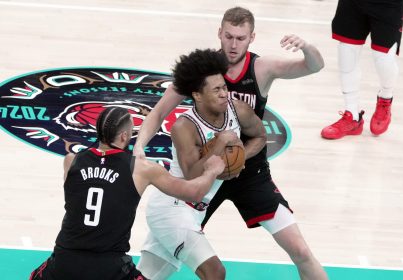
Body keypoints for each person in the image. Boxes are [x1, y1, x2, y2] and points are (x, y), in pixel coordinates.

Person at [134, 7, 327, 280]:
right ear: (219, 34)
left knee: (300, 250)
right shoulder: (200, 72)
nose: (234, 44)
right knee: (157, 264)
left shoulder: (261, 68)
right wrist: (140, 145)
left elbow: (315, 66)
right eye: (229, 36)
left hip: (250, 172)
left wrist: (306, 46)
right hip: (205, 176)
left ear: (252, 38)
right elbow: (159, 112)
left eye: (241, 38)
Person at [29, 106, 225, 280]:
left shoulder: (71, 161)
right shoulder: (141, 169)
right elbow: (193, 193)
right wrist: (212, 171)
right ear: (124, 136)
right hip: (110, 267)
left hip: (65, 261)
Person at [137, 49, 267, 280]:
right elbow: (192, 176)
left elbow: (260, 136)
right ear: (197, 95)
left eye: (224, 87)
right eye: (216, 89)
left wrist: (238, 157)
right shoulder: (184, 127)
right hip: (172, 206)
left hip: (196, 210)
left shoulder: (237, 110)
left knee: (146, 276)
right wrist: (220, 145)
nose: (224, 93)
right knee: (215, 272)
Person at [321, 0, 403, 139]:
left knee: (384, 60)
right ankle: (353, 116)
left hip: (389, 5)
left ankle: (385, 97)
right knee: (346, 54)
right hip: (353, 3)